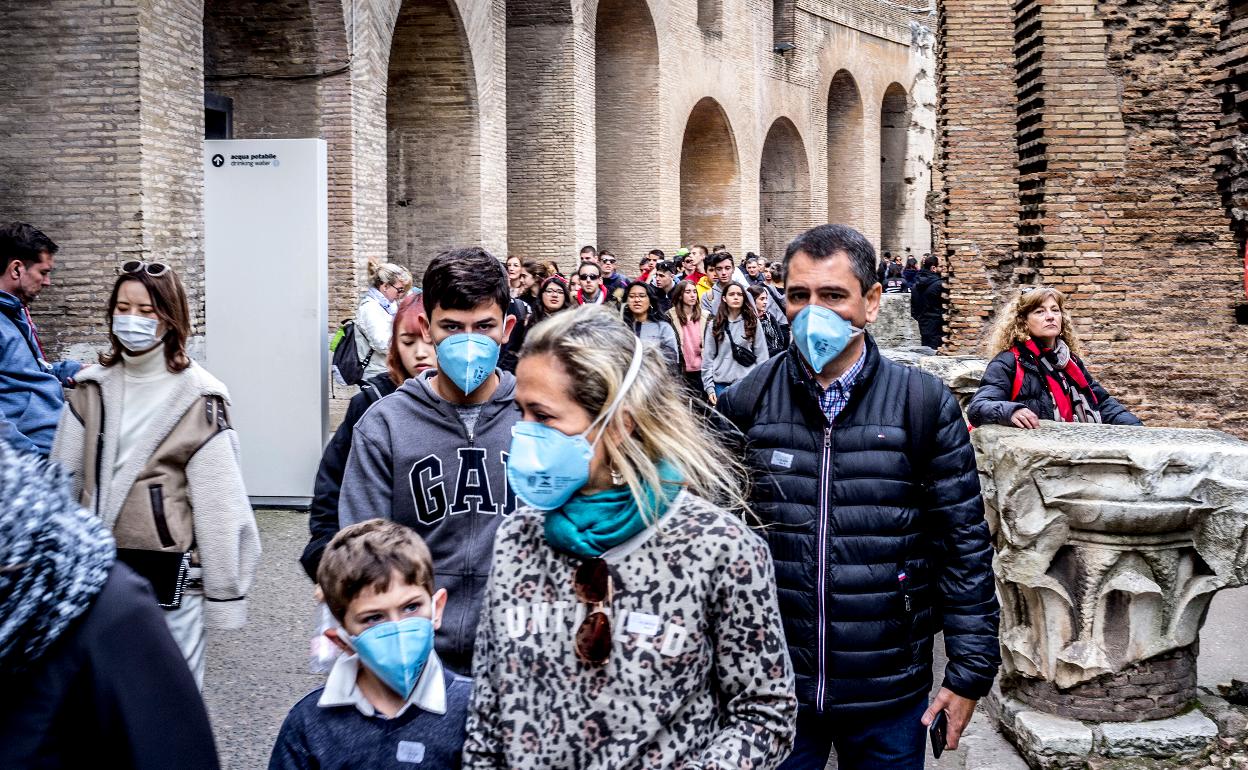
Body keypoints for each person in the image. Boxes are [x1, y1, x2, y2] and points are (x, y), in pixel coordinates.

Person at [462, 306, 797, 769]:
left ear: (619, 424)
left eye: (543, 416)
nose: (523, 434)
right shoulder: (517, 538)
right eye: (520, 412)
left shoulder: (718, 549)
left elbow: (765, 715)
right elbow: (487, 712)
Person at [716, 224, 999, 770]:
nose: (812, 312)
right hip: (774, 686)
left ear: (870, 302)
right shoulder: (748, 399)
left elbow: (963, 544)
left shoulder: (921, 404)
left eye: (832, 295)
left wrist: (969, 672)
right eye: (798, 295)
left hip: (888, 686)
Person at [50, 260, 261, 687]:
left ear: (170, 317)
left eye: (146, 311)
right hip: (97, 571)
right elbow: (61, 480)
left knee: (171, 694)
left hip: (169, 576)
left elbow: (220, 503)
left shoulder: (200, 396)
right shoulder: (91, 388)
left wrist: (224, 590)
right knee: (103, 696)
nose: (132, 319)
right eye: (123, 308)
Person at [338, 247, 520, 675]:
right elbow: (362, 551)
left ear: (507, 328)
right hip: (420, 655)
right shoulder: (385, 425)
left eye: (484, 326)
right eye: (452, 327)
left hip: (519, 652)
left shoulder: (536, 417)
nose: (469, 342)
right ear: (426, 327)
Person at [0, 443, 221, 769]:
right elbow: (70, 458)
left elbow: (220, 503)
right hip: (107, 542)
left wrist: (223, 592)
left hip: (156, 566)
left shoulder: (109, 611)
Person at [271, 520, 472, 770]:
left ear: (437, 608)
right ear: (341, 639)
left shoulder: (475, 708)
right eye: (374, 618)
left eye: (411, 607)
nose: (398, 629)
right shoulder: (309, 723)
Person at [301, 293, 437, 580]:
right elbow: (331, 486)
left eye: (430, 342)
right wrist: (327, 557)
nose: (420, 353)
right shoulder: (370, 403)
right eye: (408, 342)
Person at [967, 286, 1142, 428]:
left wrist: (1138, 429)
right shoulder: (1009, 361)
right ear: (1023, 322)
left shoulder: (1070, 362)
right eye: (1039, 311)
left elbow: (1102, 403)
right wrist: (1010, 411)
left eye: (1055, 310)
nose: (1050, 317)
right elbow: (978, 406)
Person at [0, 222, 81, 456]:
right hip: (35, 461)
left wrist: (75, 370)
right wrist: (31, 462)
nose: (47, 282)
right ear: (17, 269)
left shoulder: (15, 313)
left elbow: (28, 371)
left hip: (56, 448)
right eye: (43, 272)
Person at [701, 282, 769, 405]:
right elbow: (708, 358)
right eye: (732, 294)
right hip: (721, 384)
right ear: (724, 298)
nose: (736, 297)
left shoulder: (752, 322)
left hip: (747, 383)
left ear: (744, 298)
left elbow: (762, 356)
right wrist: (709, 387)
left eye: (739, 294)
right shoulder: (715, 324)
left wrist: (760, 384)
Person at [355, 259, 413, 381]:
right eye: (399, 289)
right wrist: (408, 343)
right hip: (376, 374)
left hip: (387, 370)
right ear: (385, 286)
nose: (400, 294)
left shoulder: (389, 306)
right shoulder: (370, 308)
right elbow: (382, 344)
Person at [623, 280, 678, 371]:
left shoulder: (663, 328)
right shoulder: (621, 328)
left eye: (642, 296)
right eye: (632, 296)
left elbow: (672, 360)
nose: (637, 300)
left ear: (650, 301)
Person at [670, 279, 707, 398]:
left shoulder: (706, 317)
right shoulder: (670, 317)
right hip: (681, 370)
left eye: (694, 292)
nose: (692, 295)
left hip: (702, 370)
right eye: (688, 292)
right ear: (680, 295)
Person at [909, 255, 944, 350]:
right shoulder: (939, 284)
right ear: (933, 268)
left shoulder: (915, 286)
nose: (943, 269)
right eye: (941, 266)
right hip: (938, 328)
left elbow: (914, 310)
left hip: (924, 326)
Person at [749, 284, 789, 357]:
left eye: (766, 299)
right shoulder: (748, 320)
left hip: (775, 356)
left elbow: (779, 337)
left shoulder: (768, 316)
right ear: (752, 300)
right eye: (762, 299)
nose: (765, 302)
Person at [700, 251, 742, 317]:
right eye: (719, 269)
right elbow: (706, 321)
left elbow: (753, 319)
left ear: (733, 269)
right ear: (715, 270)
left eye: (727, 268)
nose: (724, 272)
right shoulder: (707, 297)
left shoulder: (743, 293)